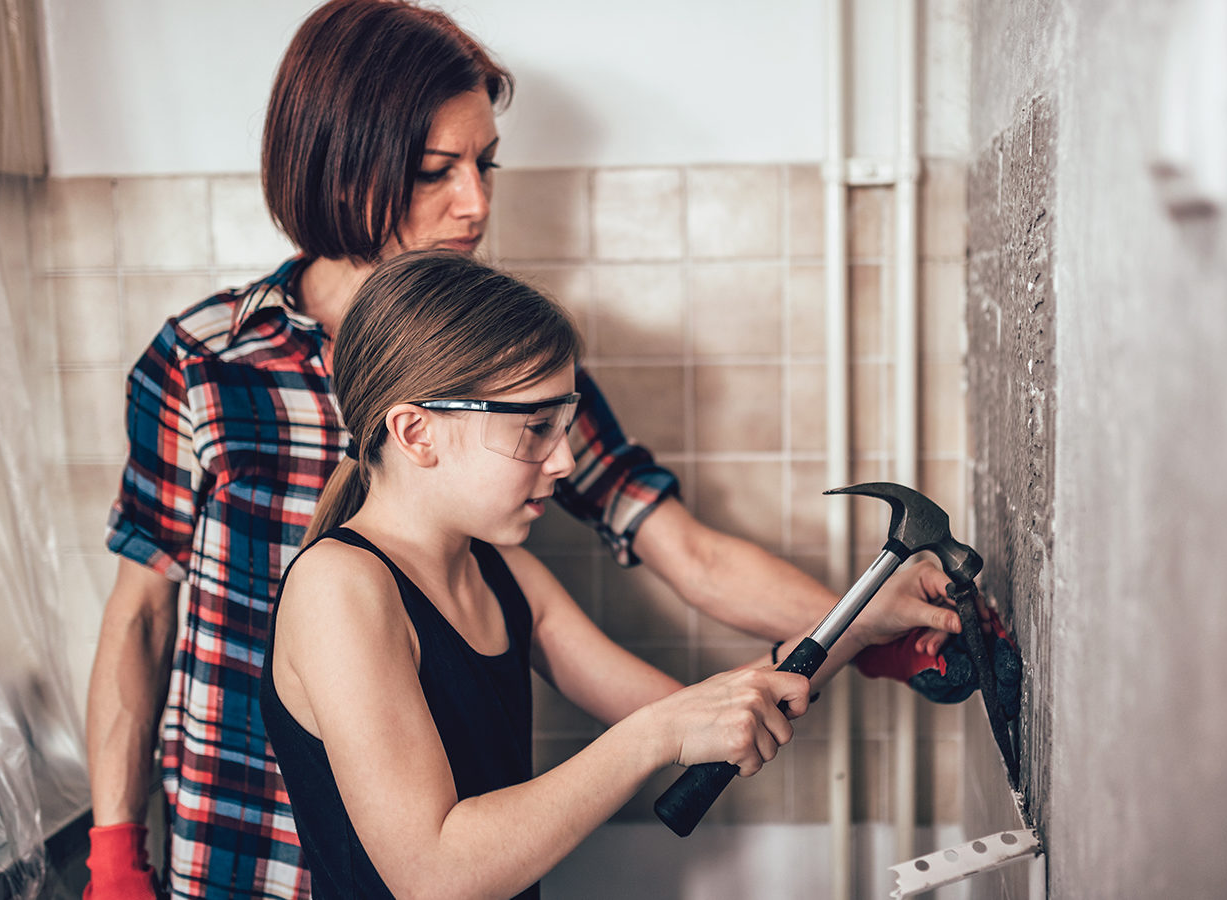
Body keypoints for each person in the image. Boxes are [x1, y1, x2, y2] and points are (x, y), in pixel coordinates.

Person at [81, 2, 960, 898]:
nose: (478, 202)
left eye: (485, 164)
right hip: (242, 839)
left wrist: (863, 623)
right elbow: (144, 614)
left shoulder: (515, 377)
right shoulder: (203, 363)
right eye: (436, 171)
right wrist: (115, 850)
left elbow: (689, 560)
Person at [261, 250, 868, 898]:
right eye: (535, 429)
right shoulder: (340, 588)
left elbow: (697, 713)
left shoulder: (503, 573)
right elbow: (434, 874)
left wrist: (860, 622)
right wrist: (654, 737)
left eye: (565, 423)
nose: (564, 460)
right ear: (416, 433)